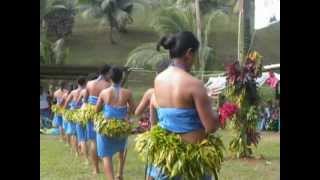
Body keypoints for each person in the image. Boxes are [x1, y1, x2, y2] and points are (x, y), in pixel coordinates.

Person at [144, 31, 220, 180]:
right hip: (191, 164)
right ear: (189, 53)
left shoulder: (158, 80)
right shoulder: (194, 84)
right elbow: (210, 127)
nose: (194, 61)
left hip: (166, 159)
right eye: (195, 56)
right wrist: (218, 113)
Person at [95, 66, 135, 180]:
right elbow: (133, 109)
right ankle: (120, 174)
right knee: (122, 149)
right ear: (121, 78)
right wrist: (126, 114)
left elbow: (96, 110)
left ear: (109, 78)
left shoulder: (104, 92)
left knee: (106, 156)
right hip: (122, 127)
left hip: (107, 126)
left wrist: (103, 106)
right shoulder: (127, 92)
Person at [85, 64, 112, 174]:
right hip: (102, 114)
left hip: (91, 113)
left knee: (93, 141)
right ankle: (104, 161)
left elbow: (85, 99)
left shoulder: (89, 83)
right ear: (106, 73)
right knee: (102, 140)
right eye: (110, 73)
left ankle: (95, 169)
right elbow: (109, 101)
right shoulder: (108, 85)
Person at [134, 59, 171, 131]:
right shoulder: (178, 93)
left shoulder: (151, 93)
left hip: (155, 130)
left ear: (156, 74)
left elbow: (137, 112)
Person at [64, 77, 87, 157]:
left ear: (78, 83)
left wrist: (65, 111)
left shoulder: (73, 92)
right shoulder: (86, 91)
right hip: (83, 113)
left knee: (74, 134)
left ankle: (77, 152)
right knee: (83, 133)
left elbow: (67, 102)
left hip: (73, 113)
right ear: (85, 83)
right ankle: (82, 151)